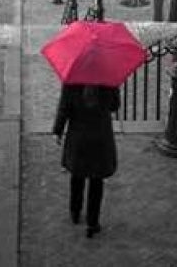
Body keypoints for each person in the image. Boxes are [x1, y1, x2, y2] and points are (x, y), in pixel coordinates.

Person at [52, 84, 120, 238]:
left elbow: (64, 107)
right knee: (96, 180)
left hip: (78, 136)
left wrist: (58, 130)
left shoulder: (72, 80)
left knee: (77, 175)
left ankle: (75, 212)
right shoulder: (108, 80)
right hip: (100, 136)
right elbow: (114, 106)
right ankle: (92, 223)